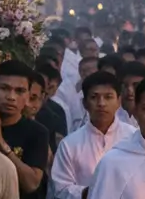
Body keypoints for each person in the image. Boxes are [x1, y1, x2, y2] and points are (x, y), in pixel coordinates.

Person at [50, 71, 137, 199]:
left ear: (118, 101)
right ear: (84, 103)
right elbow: (60, 188)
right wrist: (90, 192)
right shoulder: (70, 144)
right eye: (94, 97)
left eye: (108, 97)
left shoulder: (134, 138)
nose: (101, 103)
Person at [0, 61, 49, 199]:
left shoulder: (37, 132)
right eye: (4, 88)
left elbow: (31, 184)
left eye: (19, 91)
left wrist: (0, 144)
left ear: (28, 95)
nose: (11, 97)